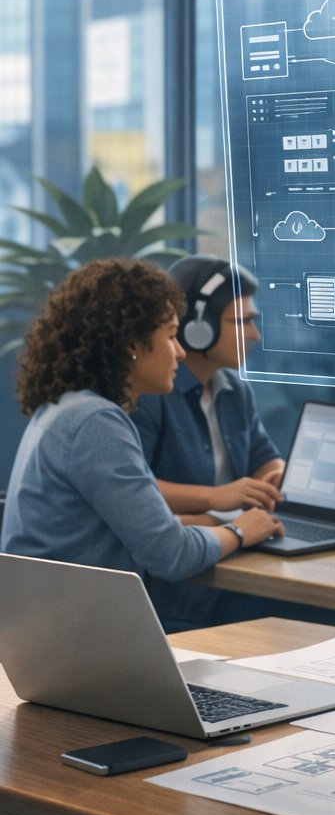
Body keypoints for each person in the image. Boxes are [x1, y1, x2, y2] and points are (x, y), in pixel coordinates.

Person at [1, 259, 284, 630]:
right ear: (133, 344)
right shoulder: (96, 423)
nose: (180, 352)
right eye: (169, 336)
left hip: (54, 629)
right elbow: (173, 555)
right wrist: (240, 530)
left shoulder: (71, 407)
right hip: (78, 639)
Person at [133, 255, 285, 519]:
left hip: (230, 534)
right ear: (198, 327)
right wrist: (217, 497)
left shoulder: (234, 390)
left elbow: (264, 459)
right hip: (184, 541)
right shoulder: (149, 393)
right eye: (242, 322)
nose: (254, 335)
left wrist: (277, 478)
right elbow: (131, 490)